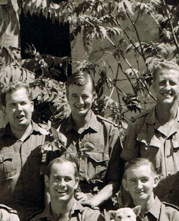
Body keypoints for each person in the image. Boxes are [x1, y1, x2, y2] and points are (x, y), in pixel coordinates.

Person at [122, 60, 179, 205]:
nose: (167, 87)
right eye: (162, 82)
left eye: (172, 83)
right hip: (150, 209)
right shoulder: (138, 125)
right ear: (154, 86)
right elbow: (127, 173)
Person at [43, 71, 122, 208]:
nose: (80, 102)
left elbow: (115, 180)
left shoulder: (109, 132)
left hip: (99, 209)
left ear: (94, 96)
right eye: (74, 96)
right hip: (64, 210)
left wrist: (93, 201)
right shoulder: (55, 132)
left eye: (85, 96)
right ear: (67, 97)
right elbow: (48, 181)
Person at [0, 82, 49, 221]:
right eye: (12, 105)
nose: (19, 110)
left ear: (32, 105)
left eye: (23, 103)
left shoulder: (46, 139)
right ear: (4, 110)